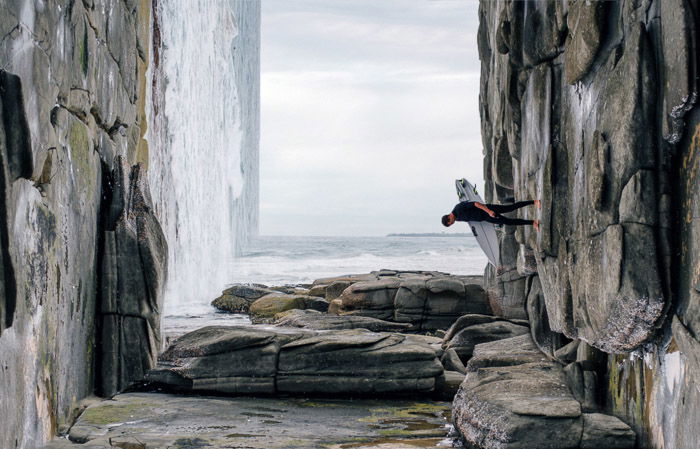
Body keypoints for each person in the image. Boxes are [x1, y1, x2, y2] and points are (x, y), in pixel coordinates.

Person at [442, 199, 541, 230]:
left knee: (511, 208)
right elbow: (471, 217)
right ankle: (533, 222)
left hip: (489, 210)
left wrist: (489, 211)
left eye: (450, 223)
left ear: (449, 217)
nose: (452, 223)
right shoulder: (457, 218)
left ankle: (534, 202)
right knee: (509, 222)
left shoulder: (458, 208)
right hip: (487, 218)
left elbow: (476, 204)